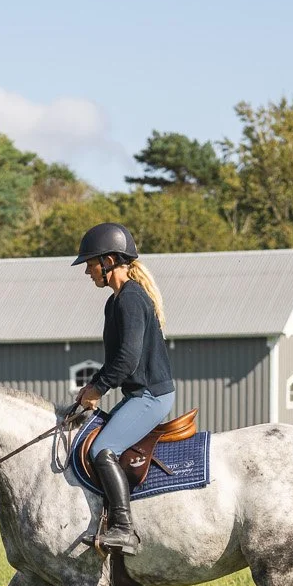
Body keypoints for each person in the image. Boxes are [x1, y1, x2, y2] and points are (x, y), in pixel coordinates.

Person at [67, 222, 173, 553]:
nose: (87, 271)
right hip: (136, 395)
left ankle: (125, 529)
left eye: (90, 263)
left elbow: (128, 360)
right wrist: (90, 390)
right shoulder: (115, 302)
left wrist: (97, 390)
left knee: (102, 449)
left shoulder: (130, 299)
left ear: (109, 260)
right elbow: (115, 359)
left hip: (151, 396)